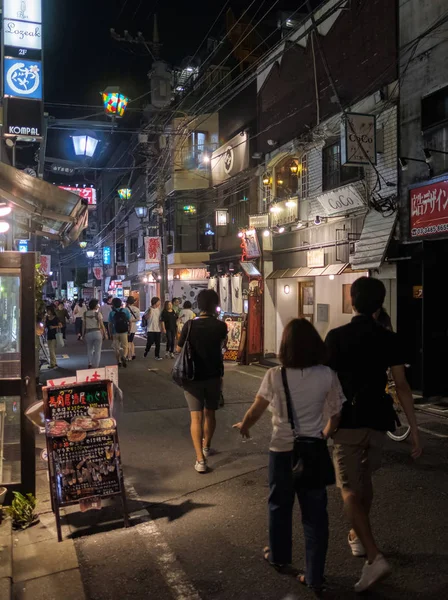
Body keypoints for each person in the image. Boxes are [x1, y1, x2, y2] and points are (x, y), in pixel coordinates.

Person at [325, 276, 422, 593]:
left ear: (352, 301)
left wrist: (321, 423)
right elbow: (402, 386)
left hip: (349, 421)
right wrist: (414, 432)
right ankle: (357, 537)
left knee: (349, 489)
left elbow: (327, 384)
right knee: (364, 482)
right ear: (380, 304)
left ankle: (375, 556)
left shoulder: (337, 337)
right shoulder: (389, 338)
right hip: (379, 421)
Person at [233, 319, 344, 591]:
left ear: (286, 346)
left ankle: (279, 556)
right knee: (315, 515)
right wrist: (323, 435)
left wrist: (245, 425)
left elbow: (257, 409)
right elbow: (336, 414)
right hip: (314, 450)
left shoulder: (275, 375)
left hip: (282, 450)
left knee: (279, 506)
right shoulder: (327, 374)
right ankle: (315, 575)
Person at [178, 289, 228, 473]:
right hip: (214, 375)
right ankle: (207, 447)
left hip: (192, 376)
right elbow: (223, 345)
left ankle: (200, 460)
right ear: (215, 305)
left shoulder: (190, 325)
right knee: (210, 414)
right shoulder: (221, 326)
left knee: (195, 417)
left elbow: (178, 348)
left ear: (199, 305)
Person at [82, 299, 106, 368]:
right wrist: (105, 334)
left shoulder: (85, 314)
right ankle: (96, 366)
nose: (98, 306)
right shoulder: (98, 314)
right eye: (97, 304)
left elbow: (83, 325)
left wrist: (83, 334)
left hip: (88, 333)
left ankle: (90, 363)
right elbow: (102, 325)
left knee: (89, 349)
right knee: (98, 351)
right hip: (97, 333)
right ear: (95, 306)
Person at [109, 298, 131, 368]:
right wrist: (129, 330)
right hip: (124, 331)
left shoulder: (112, 312)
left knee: (116, 348)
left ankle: (118, 361)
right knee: (125, 346)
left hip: (115, 332)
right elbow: (130, 321)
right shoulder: (125, 311)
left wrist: (110, 333)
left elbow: (110, 324)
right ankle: (124, 356)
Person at [45, 305, 62, 369]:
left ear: (51, 311)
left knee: (52, 350)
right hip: (48, 335)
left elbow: (60, 326)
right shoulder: (46, 318)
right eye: (47, 311)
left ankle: (53, 363)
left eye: (48, 311)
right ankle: (53, 363)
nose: (47, 312)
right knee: (51, 350)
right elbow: (45, 326)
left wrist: (54, 327)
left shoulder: (56, 318)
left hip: (55, 335)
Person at [126, 296, 140, 361]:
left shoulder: (125, 309)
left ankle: (129, 356)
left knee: (128, 342)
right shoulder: (137, 309)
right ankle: (133, 353)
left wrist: (129, 321)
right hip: (134, 327)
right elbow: (138, 319)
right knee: (131, 341)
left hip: (127, 327)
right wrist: (132, 320)